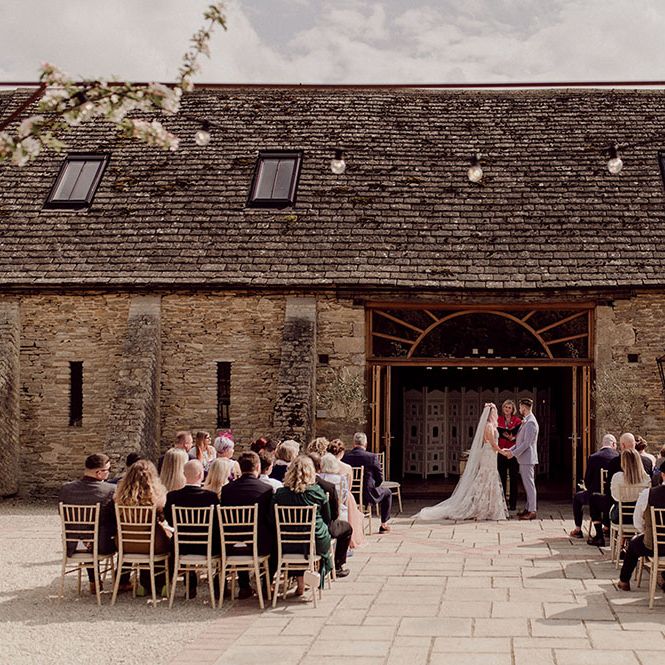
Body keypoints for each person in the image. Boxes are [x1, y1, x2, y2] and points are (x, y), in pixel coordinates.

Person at [417, 403, 508, 522]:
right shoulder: (489, 426)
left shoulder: (489, 425)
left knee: (488, 478)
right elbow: (493, 444)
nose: (496, 414)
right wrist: (503, 452)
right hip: (489, 453)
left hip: (489, 453)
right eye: (495, 412)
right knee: (488, 477)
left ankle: (487, 508)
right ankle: (483, 508)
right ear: (491, 413)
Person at [59, 453, 119, 595]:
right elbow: (114, 519)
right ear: (99, 473)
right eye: (108, 470)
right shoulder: (110, 490)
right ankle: (122, 580)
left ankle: (94, 580)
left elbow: (62, 514)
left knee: (86, 532)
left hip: (74, 545)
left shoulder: (66, 489)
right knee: (110, 532)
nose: (109, 473)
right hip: (101, 545)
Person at [219, 451, 276, 599]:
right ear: (257, 467)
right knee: (275, 542)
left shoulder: (227, 490)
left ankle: (244, 586)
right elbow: (269, 518)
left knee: (241, 536)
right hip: (259, 544)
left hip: (231, 543)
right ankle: (266, 583)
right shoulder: (266, 489)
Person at [274, 455, 333, 593]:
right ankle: (309, 579)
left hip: (287, 542)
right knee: (312, 536)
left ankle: (301, 583)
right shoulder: (317, 492)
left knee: (298, 538)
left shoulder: (281, 494)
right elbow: (327, 517)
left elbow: (272, 517)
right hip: (314, 542)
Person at [164, 459, 220, 599]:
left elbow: (169, 520)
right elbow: (217, 523)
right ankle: (219, 587)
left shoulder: (172, 497)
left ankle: (190, 583)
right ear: (201, 474)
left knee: (176, 540)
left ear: (183, 474)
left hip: (181, 546)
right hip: (207, 546)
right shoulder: (211, 497)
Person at [114, 459, 170, 595]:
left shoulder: (119, 498)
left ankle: (141, 584)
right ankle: (161, 582)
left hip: (125, 543)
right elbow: (164, 518)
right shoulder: (158, 498)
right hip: (152, 543)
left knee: (144, 540)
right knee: (166, 542)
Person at [589, 432, 654, 546]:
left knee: (595, 498)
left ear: (622, 445)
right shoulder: (647, 463)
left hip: (620, 513)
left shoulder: (615, 464)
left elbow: (611, 493)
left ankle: (600, 534)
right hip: (641, 513)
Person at [617, 462, 665, 591]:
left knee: (633, 544)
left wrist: (647, 531)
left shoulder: (648, 494)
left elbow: (637, 522)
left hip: (654, 545)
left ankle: (624, 581)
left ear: (663, 475)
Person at [307, 452, 353, 577]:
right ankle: (337, 565)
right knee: (347, 528)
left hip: (295, 531)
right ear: (319, 466)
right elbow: (334, 514)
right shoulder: (328, 487)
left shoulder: (291, 487)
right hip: (321, 529)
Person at [569, 434, 618, 538]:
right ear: (613, 444)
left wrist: (589, 487)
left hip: (595, 494)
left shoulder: (594, 457)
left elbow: (587, 480)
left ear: (602, 444)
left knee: (577, 497)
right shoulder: (618, 457)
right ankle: (607, 527)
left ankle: (578, 529)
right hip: (613, 496)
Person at [344, 432, 393, 532]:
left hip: (350, 493)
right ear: (365, 444)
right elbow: (380, 478)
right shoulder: (372, 457)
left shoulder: (346, 457)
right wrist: (375, 486)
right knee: (388, 493)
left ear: (353, 444)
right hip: (368, 493)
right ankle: (384, 524)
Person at [325, 442, 365, 548]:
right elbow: (349, 488)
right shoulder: (347, 467)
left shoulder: (323, 465)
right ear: (342, 452)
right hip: (343, 497)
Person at [506, 398, 539, 520]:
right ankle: (528, 508)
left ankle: (532, 510)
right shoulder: (527, 420)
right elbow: (519, 441)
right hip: (524, 458)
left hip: (527, 458)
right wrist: (510, 450)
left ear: (524, 408)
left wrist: (513, 454)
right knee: (527, 484)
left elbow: (526, 443)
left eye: (520, 407)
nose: (519, 409)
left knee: (529, 485)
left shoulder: (531, 422)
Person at [608, 449, 650, 524]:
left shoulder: (617, 477)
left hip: (620, 516)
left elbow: (614, 496)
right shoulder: (646, 478)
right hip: (641, 516)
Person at [496, 400, 521, 512]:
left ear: (513, 410)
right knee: (501, 478)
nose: (507, 409)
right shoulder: (498, 419)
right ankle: (502, 503)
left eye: (509, 407)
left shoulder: (517, 421)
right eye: (505, 407)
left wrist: (513, 438)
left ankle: (513, 504)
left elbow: (521, 436)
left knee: (513, 478)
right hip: (501, 452)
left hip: (512, 453)